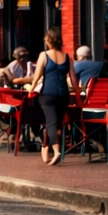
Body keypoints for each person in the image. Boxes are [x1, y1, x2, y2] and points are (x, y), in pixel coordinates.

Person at [27, 30, 77, 165]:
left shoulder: (44, 55)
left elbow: (37, 76)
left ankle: (56, 151)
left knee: (51, 123)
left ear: (49, 41)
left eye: (45, 39)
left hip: (47, 94)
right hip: (63, 95)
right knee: (56, 124)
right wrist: (77, 94)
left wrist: (31, 89)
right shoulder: (68, 57)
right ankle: (45, 147)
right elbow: (73, 79)